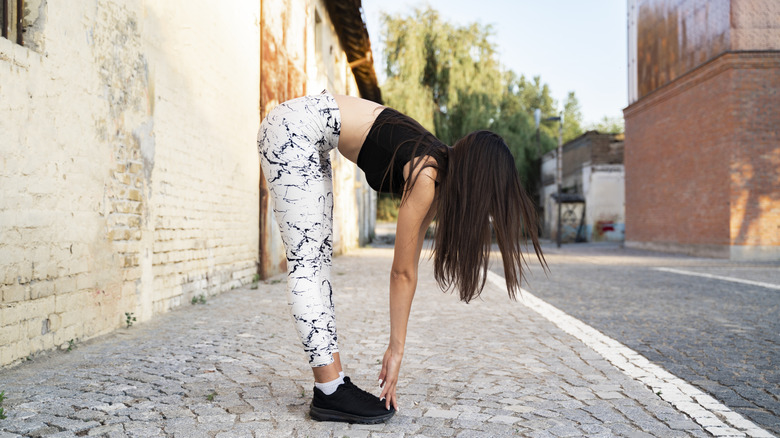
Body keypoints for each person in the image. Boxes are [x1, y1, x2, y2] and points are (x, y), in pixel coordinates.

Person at [257, 90, 545, 424]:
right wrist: (396, 351)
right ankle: (330, 390)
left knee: (317, 261)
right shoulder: (427, 172)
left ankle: (333, 384)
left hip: (305, 134)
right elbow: (401, 273)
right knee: (308, 262)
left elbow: (408, 270)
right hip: (292, 129)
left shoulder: (435, 170)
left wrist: (397, 347)